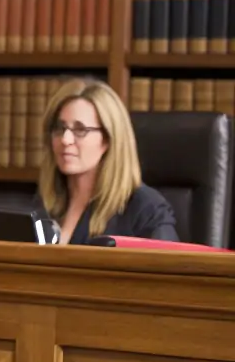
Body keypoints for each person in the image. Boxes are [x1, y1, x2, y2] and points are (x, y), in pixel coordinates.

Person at [37, 78, 178, 246]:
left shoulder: (146, 210)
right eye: (60, 128)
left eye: (80, 129)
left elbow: (169, 270)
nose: (65, 139)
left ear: (108, 139)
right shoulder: (46, 202)